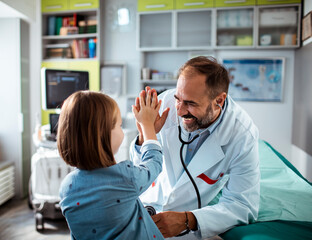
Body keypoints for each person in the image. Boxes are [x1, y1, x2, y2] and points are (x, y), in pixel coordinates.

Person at [130, 56, 260, 239]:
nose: (180, 111)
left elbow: (243, 205)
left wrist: (188, 220)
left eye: (190, 103)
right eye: (178, 99)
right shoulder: (163, 105)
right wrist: (145, 135)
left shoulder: (242, 135)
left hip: (189, 227)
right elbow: (136, 168)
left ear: (219, 101)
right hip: (147, 208)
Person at [57, 90, 165, 240]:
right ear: (103, 134)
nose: (121, 130)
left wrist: (145, 135)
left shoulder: (67, 188)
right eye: (119, 125)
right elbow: (154, 163)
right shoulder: (125, 177)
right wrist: (147, 126)